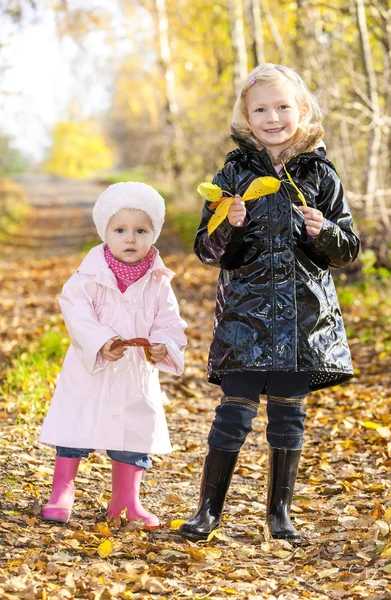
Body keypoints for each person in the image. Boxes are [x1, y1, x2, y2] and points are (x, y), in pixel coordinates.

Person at [179, 63, 360, 543]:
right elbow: (206, 249)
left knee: (287, 414)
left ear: (301, 111)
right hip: (245, 318)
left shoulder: (321, 173)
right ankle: (207, 511)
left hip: (303, 321)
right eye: (261, 108)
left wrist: (326, 232)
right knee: (233, 412)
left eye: (283, 107)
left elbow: (349, 249)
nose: (273, 117)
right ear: (246, 116)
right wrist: (228, 223)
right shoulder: (233, 173)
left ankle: (279, 512)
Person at [39, 181, 187, 526]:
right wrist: (101, 340)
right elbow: (74, 309)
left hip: (135, 369)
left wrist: (163, 343)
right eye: (120, 230)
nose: (130, 238)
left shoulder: (158, 280)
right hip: (91, 367)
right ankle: (62, 490)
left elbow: (170, 320)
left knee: (133, 432)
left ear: (155, 233)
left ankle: (126, 500)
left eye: (141, 230)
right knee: (76, 426)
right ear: (105, 231)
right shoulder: (88, 276)